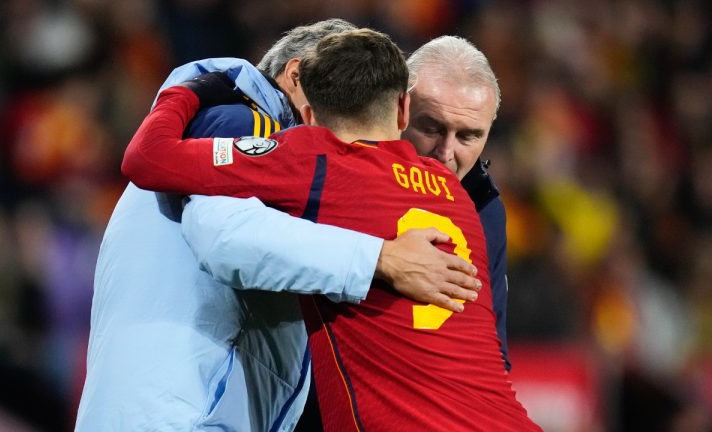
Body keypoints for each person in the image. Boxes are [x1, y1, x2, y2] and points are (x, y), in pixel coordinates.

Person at [75, 19, 481, 432]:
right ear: (295, 77)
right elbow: (225, 237)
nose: (352, 128)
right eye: (341, 98)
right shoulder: (245, 120)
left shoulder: (230, 127)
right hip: (183, 415)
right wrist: (381, 258)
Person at [403, 35, 511, 369]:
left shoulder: (486, 209)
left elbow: (493, 355)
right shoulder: (343, 174)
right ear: (398, 110)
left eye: (468, 136)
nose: (446, 153)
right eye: (431, 127)